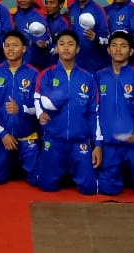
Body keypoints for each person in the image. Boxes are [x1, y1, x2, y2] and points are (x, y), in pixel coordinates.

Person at [33, 30, 100, 195]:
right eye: (61, 44)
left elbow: (94, 113)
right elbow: (37, 99)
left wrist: (97, 145)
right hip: (53, 140)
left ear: (77, 49)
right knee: (46, 187)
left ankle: (75, 171)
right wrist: (40, 114)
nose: (66, 48)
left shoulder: (88, 78)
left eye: (70, 44)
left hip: (80, 141)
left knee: (89, 190)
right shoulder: (46, 75)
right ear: (56, 48)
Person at [94, 31, 134, 197]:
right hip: (109, 144)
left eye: (123, 46)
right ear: (108, 50)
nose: (118, 49)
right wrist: (98, 144)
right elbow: (94, 112)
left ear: (131, 51)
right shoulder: (98, 77)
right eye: (114, 46)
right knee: (107, 191)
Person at [0, 30, 40, 185]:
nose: (10, 49)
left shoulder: (34, 74)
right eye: (7, 45)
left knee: (36, 180)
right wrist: (3, 133)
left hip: (27, 135)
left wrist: (20, 109)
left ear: (24, 48)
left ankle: (20, 162)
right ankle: (11, 163)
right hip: (2, 136)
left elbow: (39, 108)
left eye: (15, 45)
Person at [66, 0, 111, 73]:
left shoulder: (98, 10)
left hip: (95, 66)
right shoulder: (71, 8)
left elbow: (107, 39)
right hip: (76, 64)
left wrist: (96, 38)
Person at [10, 0, 50, 71]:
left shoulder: (43, 16)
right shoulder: (14, 16)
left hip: (38, 66)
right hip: (18, 65)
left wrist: (45, 43)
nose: (23, 0)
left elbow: (51, 40)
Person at [39, 0, 69, 69]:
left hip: (57, 65)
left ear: (61, 5)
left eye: (52, 3)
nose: (48, 6)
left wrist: (48, 45)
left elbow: (64, 45)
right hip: (40, 64)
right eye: (46, 3)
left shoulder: (64, 24)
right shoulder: (41, 20)